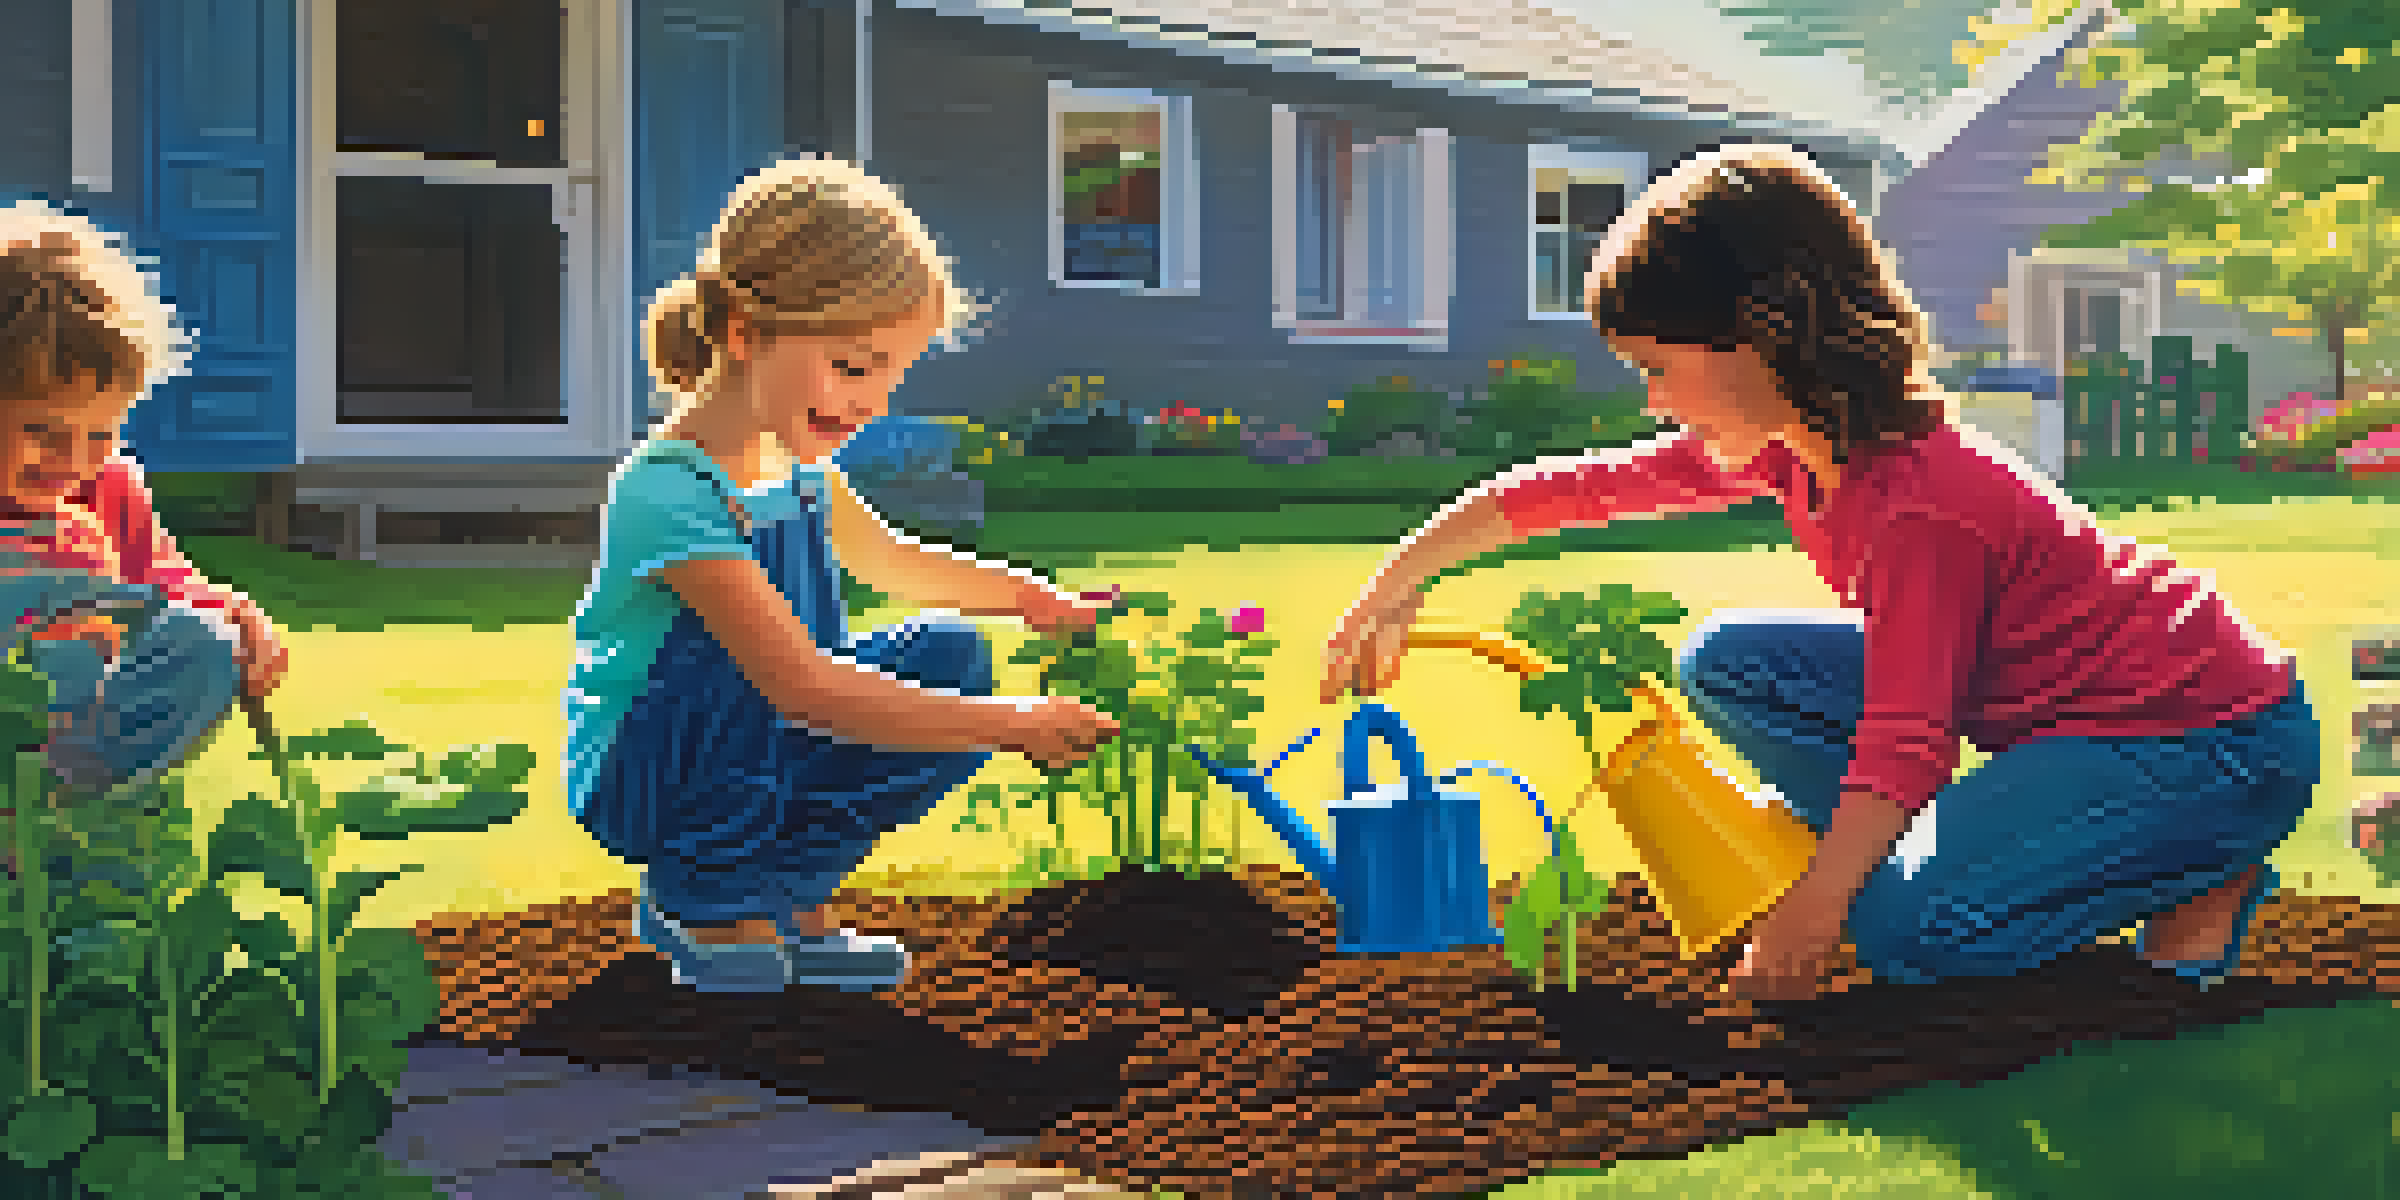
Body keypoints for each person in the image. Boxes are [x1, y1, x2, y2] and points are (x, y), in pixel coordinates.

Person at [1319, 144, 2317, 1004]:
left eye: (1660, 367)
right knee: (1730, 662)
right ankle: (1955, 846)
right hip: (2058, 721)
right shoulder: (1792, 446)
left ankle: (2198, 872)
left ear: (1765, 335)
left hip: (2201, 742)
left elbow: (1907, 738)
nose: (1657, 403)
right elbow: (1588, 490)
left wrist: (1812, 908)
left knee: (1902, 935)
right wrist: (1404, 576)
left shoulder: (1922, 506)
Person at [568, 158, 1123, 994]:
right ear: (745, 332)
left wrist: (1027, 597)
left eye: (892, 377)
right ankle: (700, 891)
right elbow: (795, 685)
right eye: (855, 368)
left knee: (950, 652)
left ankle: (789, 883)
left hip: (772, 736)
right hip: (648, 770)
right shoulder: (670, 489)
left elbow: (890, 560)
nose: (873, 403)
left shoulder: (796, 471)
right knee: (740, 661)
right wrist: (1010, 725)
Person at [0, 204, 288, 824]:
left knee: (204, 639)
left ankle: (73, 815)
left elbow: (165, 585)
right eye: (43, 430)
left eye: (100, 432)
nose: (71, 459)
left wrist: (231, 614)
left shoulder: (107, 488)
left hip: (75, 740)